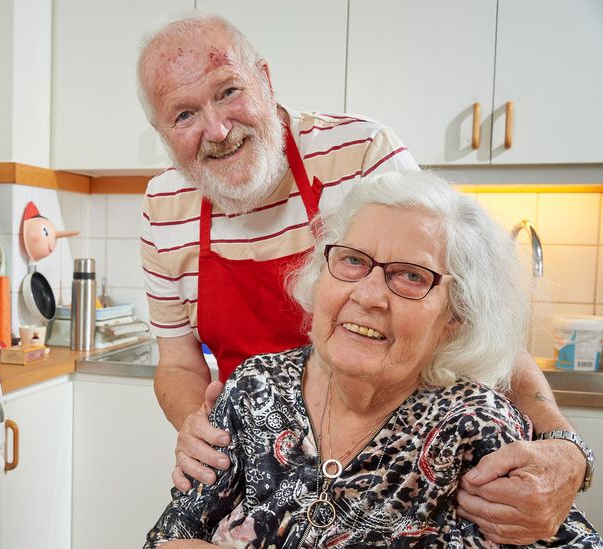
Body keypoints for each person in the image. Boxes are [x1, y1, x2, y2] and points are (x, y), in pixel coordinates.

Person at [137, 14, 593, 544]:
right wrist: (205, 436)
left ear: (264, 78)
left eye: (229, 91)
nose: (216, 130)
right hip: (256, 449)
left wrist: (565, 448)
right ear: (162, 133)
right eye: (184, 113)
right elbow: (176, 363)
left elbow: (457, 296)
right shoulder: (162, 205)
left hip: (389, 422)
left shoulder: (361, 152)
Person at [143, 170, 601, 548]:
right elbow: (169, 535)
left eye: (409, 276)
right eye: (353, 261)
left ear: (454, 318)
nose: (368, 295)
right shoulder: (254, 388)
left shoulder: (477, 430)